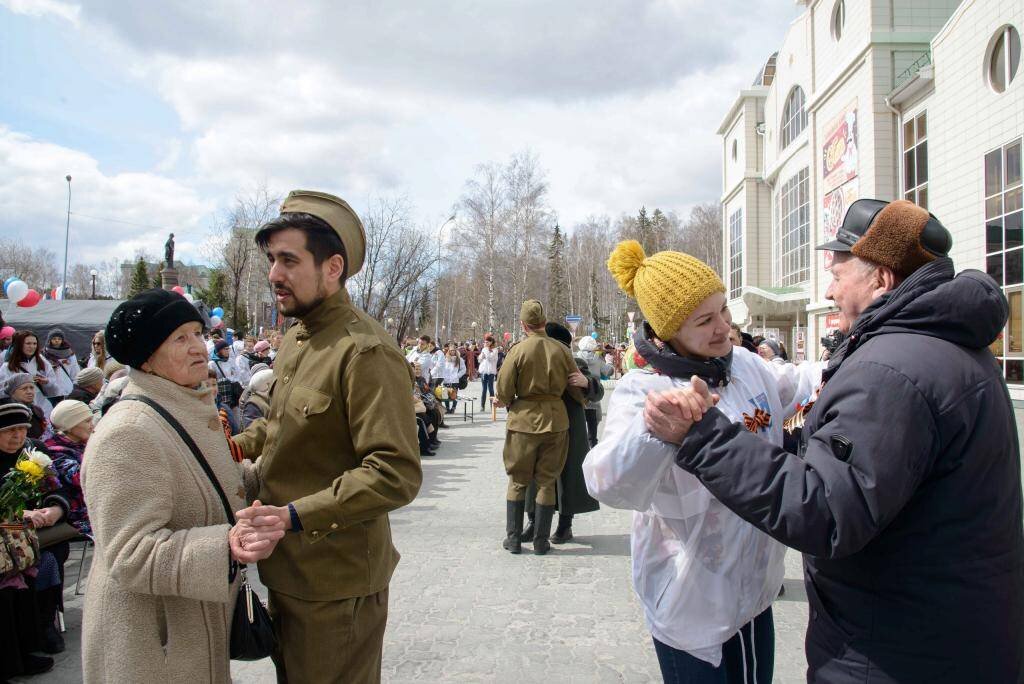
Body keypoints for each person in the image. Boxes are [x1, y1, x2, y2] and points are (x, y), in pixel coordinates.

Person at [645, 199, 1024, 682]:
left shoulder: (889, 370)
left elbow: (824, 509)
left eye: (838, 274)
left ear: (881, 280)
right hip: (948, 632)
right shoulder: (945, 346)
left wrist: (704, 438)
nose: (829, 289)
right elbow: (878, 467)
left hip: (893, 651)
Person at [584, 240, 820, 683]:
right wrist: (654, 430)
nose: (723, 328)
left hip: (752, 593)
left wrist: (852, 360)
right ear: (668, 329)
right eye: (705, 320)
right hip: (688, 602)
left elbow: (799, 382)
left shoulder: (747, 366)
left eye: (724, 311)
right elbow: (604, 481)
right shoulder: (644, 391)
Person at [230, 190, 422, 683]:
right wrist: (231, 446)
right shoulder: (297, 337)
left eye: (289, 260)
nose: (274, 274)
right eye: (272, 259)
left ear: (332, 268)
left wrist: (293, 517)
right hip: (289, 569)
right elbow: (279, 426)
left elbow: (394, 473)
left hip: (335, 583)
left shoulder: (365, 353)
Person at [80, 288, 285, 683]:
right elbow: (130, 553)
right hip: (151, 648)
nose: (198, 348)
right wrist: (224, 545)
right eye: (180, 338)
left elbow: (207, 486)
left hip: (184, 635)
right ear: (146, 357)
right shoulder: (129, 432)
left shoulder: (179, 409)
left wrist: (275, 468)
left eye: (197, 334)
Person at [495, 300, 584, 555]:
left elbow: (503, 389)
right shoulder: (561, 350)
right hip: (556, 421)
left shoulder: (518, 350)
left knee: (517, 481)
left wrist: (512, 403)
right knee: (547, 482)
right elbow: (575, 387)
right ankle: (541, 542)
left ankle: (513, 540)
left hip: (523, 420)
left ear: (524, 325)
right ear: (544, 322)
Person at [522, 322, 601, 545]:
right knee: (534, 474)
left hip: (569, 427)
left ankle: (565, 525)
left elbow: (597, 393)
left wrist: (587, 383)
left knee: (568, 476)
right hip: (540, 424)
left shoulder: (574, 362)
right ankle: (534, 523)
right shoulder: (534, 361)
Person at [0, 403, 56, 680]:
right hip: (6, 543)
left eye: (22, 429)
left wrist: (55, 510)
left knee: (40, 573)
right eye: (9, 430)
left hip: (22, 546)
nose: (17, 436)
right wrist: (19, 515)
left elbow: (56, 492)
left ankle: (30, 648)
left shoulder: (30, 457)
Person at [44, 400, 93, 537]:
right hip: (80, 514)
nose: (92, 426)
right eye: (87, 421)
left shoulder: (81, 443)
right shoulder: (55, 451)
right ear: (70, 426)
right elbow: (82, 478)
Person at [0, 331, 58, 420]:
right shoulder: (7, 367)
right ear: (19, 345)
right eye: (28, 343)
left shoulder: (42, 361)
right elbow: (2, 393)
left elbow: (55, 390)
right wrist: (16, 387)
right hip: (19, 411)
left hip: (43, 409)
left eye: (34, 343)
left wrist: (47, 382)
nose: (32, 347)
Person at [575, 335, 605, 448]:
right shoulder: (598, 359)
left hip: (580, 401)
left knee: (579, 432)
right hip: (594, 400)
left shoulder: (576, 358)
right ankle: (592, 455)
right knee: (593, 434)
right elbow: (609, 371)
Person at [3, 373, 49, 440]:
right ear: (12, 392)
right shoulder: (8, 413)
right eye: (24, 389)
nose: (29, 392)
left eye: (31, 387)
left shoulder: (37, 410)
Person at [41, 328, 78, 402]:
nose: (57, 340)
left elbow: (75, 372)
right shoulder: (43, 354)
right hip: (51, 391)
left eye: (59, 338)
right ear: (50, 340)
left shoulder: (69, 354)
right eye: (54, 338)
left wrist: (75, 387)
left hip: (67, 389)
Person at [477, 336, 499, 411]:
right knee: (484, 389)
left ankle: (492, 406)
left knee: (491, 389)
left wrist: (485, 350)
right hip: (484, 371)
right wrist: (481, 356)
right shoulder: (484, 349)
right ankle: (482, 406)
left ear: (491, 342)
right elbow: (479, 360)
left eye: (487, 342)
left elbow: (490, 358)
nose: (485, 343)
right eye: (485, 342)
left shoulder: (495, 350)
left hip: (491, 372)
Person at [440, 347, 465, 414]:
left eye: (454, 350)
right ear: (449, 351)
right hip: (446, 380)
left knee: (454, 395)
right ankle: (447, 408)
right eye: (451, 350)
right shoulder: (445, 359)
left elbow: (463, 369)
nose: (452, 352)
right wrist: (443, 376)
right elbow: (442, 368)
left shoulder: (459, 360)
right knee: (445, 395)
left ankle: (453, 408)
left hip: (454, 380)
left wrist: (457, 375)